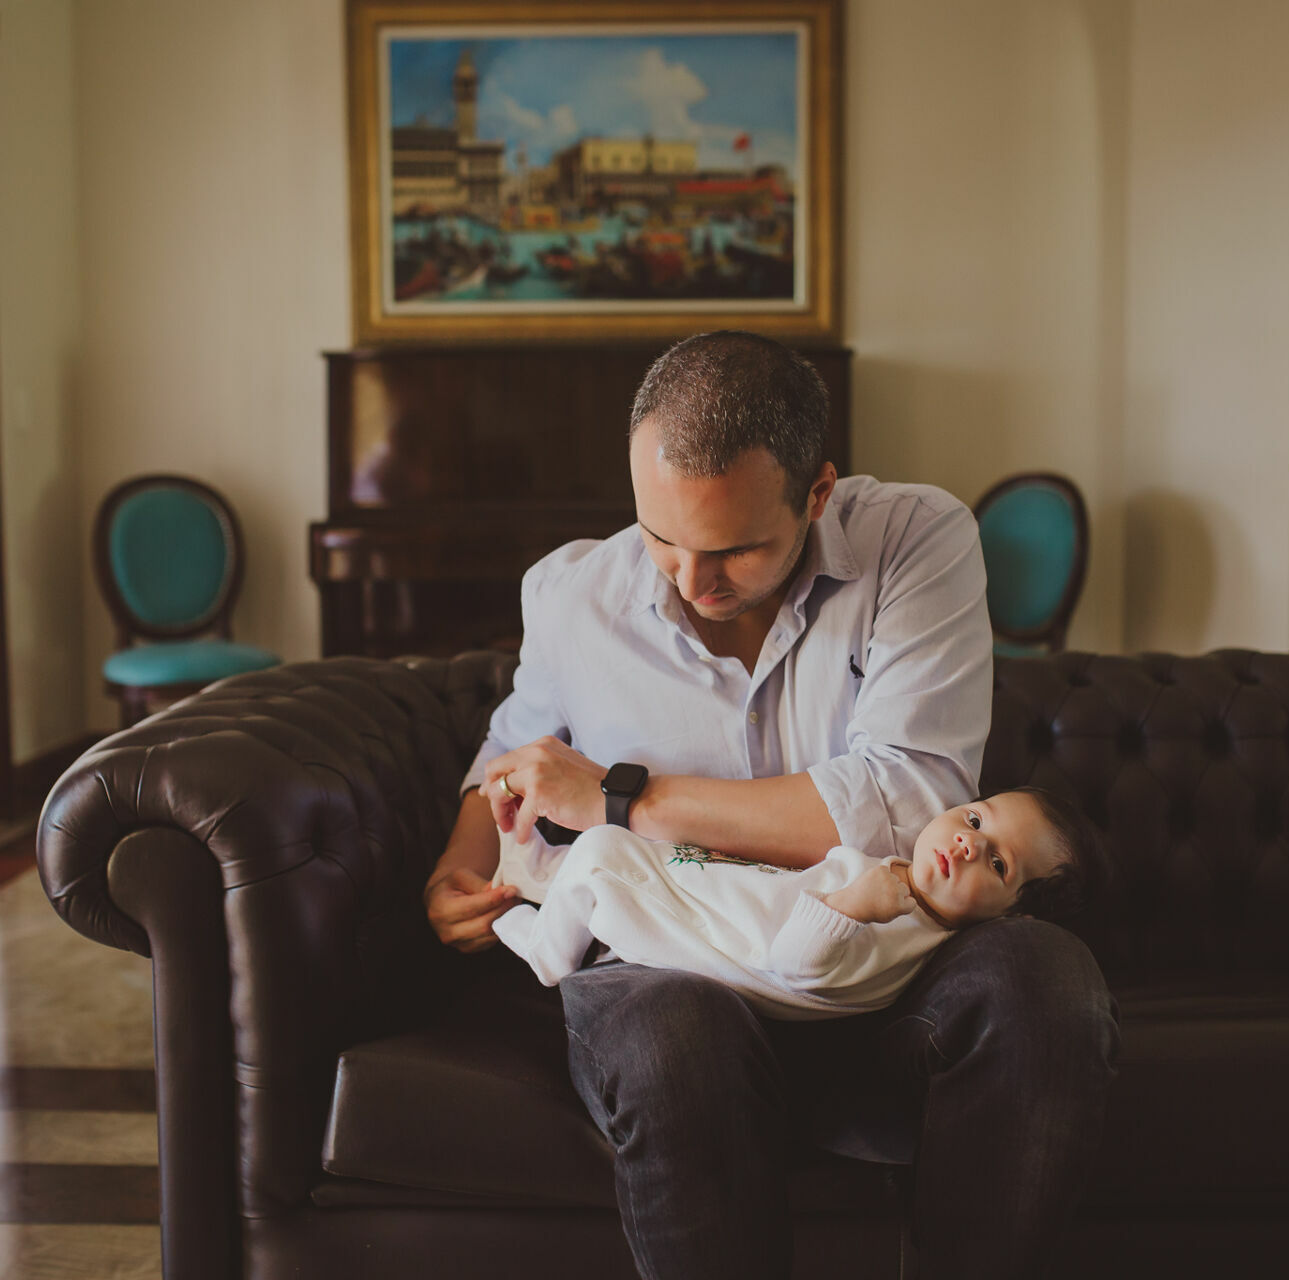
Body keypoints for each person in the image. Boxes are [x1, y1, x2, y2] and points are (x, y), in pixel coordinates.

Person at [421, 329, 1119, 1278]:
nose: (692, 582)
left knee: (1045, 976)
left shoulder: (916, 541)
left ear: (817, 494)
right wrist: (456, 867)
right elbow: (514, 746)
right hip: (671, 968)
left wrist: (625, 799)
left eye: (736, 549)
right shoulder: (571, 594)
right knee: (677, 1036)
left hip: (881, 970)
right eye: (661, 538)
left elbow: (904, 800)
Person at [492, 789, 1108, 1017]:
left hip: (717, 938)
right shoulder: (909, 884)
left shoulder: (905, 934)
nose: (969, 843)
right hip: (738, 894)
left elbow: (798, 967)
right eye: (976, 818)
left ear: (1013, 918)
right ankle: (544, 878)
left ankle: (551, 951)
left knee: (602, 852)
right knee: (637, 851)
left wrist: (851, 908)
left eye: (998, 863)